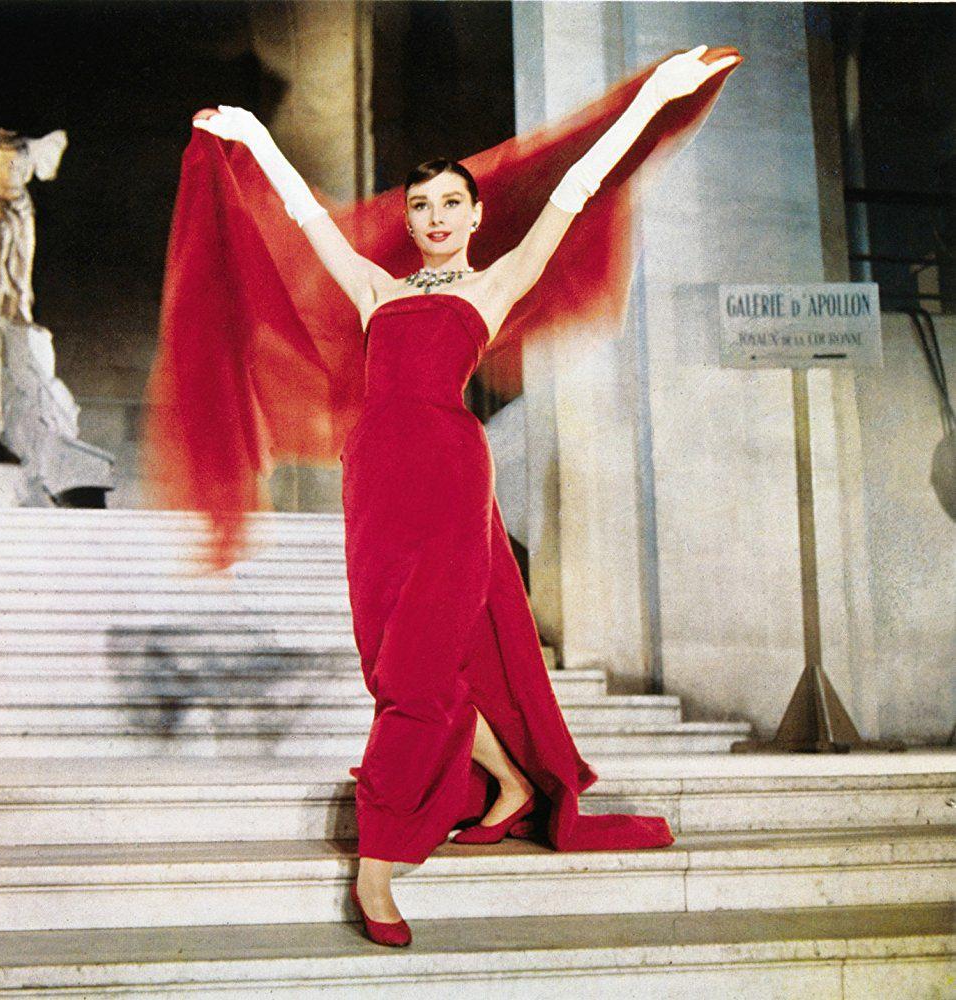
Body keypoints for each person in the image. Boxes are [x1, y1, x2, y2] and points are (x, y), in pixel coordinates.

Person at [166, 44, 740, 948]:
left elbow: (576, 190)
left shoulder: (494, 283)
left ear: (474, 215)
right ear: (410, 219)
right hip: (373, 481)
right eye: (420, 205)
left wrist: (651, 99)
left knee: (415, 680)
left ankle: (378, 866)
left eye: (449, 204)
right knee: (396, 665)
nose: (434, 217)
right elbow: (306, 218)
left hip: (447, 476)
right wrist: (251, 137)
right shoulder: (374, 289)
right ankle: (507, 781)